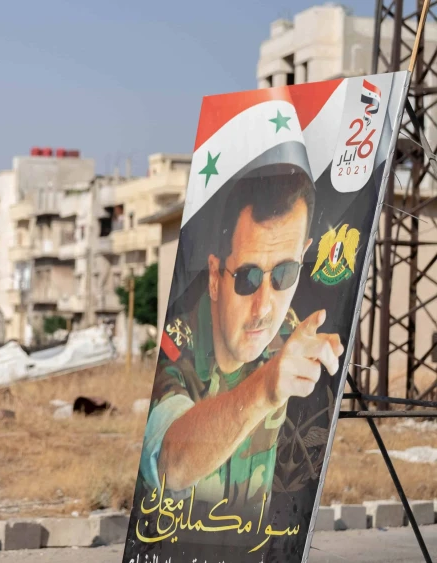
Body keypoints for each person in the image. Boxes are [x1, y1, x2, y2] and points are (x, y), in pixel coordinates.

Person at [139, 163, 344, 516]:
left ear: (303, 255)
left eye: (285, 273)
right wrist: (265, 389)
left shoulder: (292, 339)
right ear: (215, 275)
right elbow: (170, 464)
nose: (263, 307)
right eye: (247, 277)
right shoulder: (179, 346)